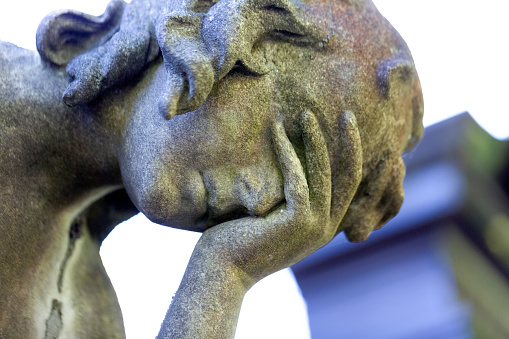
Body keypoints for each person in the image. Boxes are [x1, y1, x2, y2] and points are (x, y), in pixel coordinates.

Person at [0, 0, 423, 337]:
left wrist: (225, 274)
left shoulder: (85, 314)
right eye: (283, 145)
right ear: (214, 32)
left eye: (293, 192)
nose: (261, 202)